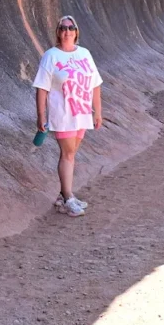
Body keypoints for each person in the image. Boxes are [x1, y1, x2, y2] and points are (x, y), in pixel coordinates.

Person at [33, 16, 103, 217]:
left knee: (71, 154)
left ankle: (63, 196)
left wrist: (97, 111)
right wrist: (41, 115)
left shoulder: (85, 54)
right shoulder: (51, 56)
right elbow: (42, 88)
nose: (67, 31)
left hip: (81, 112)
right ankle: (68, 197)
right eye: (63, 28)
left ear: (76, 31)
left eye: (71, 27)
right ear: (58, 31)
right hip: (63, 114)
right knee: (68, 154)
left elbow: (95, 84)